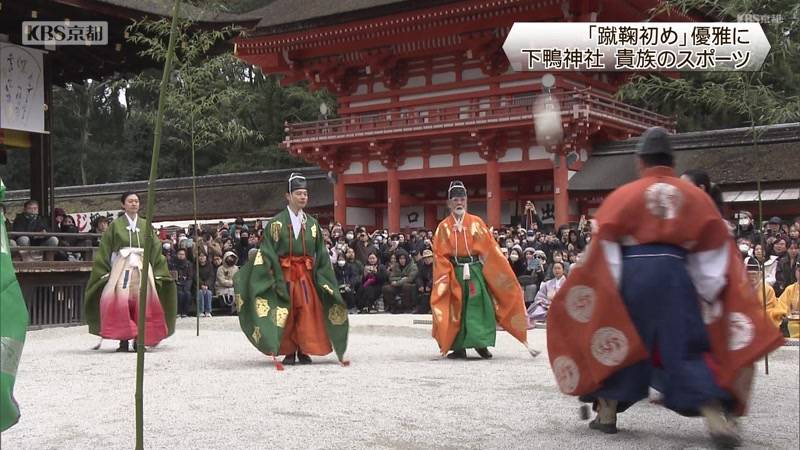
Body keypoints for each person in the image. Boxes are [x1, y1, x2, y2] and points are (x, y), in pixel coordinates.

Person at [545, 127, 783, 447]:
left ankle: (607, 414)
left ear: (640, 161)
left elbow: (605, 248)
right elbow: (712, 253)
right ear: (672, 161)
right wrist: (707, 294)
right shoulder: (696, 197)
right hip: (676, 275)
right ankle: (715, 418)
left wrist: (609, 292)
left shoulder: (623, 196)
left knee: (620, 340)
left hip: (632, 274)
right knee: (686, 347)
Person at [234, 173, 349, 367]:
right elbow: (267, 252)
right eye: (298, 193)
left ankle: (303, 348)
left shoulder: (312, 224)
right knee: (285, 311)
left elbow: (321, 253)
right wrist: (269, 275)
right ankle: (288, 350)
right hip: (283, 274)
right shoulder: (276, 223)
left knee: (306, 309)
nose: (303, 197)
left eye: (305, 194)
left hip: (306, 275)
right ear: (288, 196)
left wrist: (323, 276)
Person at [429, 180, 528, 360]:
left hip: (475, 270)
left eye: (462, 199)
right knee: (456, 307)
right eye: (455, 200)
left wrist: (499, 269)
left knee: (481, 305)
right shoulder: (443, 227)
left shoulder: (477, 222)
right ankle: (458, 346)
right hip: (454, 271)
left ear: (466, 201)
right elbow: (439, 254)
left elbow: (490, 249)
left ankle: (481, 343)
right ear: (449, 203)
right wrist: (444, 275)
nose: (459, 203)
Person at [84, 192, 177, 352]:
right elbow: (105, 247)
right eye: (130, 201)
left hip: (142, 266)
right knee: (122, 301)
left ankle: (140, 340)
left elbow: (155, 247)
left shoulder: (146, 225)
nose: (134, 204)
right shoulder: (115, 225)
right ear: (123, 205)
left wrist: (158, 268)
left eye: (136, 201)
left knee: (143, 301)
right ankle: (123, 340)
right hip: (122, 266)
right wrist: (104, 270)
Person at [527, 261, 566, 325]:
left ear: (563, 270)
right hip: (547, 306)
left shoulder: (568, 283)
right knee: (536, 311)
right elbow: (539, 296)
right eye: (555, 268)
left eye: (559, 268)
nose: (557, 270)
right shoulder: (548, 283)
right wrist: (546, 303)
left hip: (561, 306)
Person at [382, 248, 418, 313]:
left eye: (404, 258)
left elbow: (410, 279)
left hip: (410, 285)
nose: (402, 260)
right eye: (400, 259)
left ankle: (407, 307)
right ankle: (394, 306)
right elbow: (391, 277)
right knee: (386, 288)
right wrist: (401, 279)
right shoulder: (396, 266)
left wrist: (397, 282)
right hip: (398, 285)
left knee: (406, 286)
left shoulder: (413, 266)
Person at [195, 252, 216, 317]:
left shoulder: (210, 266)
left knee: (208, 293)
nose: (202, 258)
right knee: (200, 292)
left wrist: (206, 285)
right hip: (197, 286)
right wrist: (201, 285)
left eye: (203, 256)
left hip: (208, 286)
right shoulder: (195, 266)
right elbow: (195, 277)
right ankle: (200, 311)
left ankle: (208, 311)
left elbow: (211, 277)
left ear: (206, 257)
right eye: (200, 256)